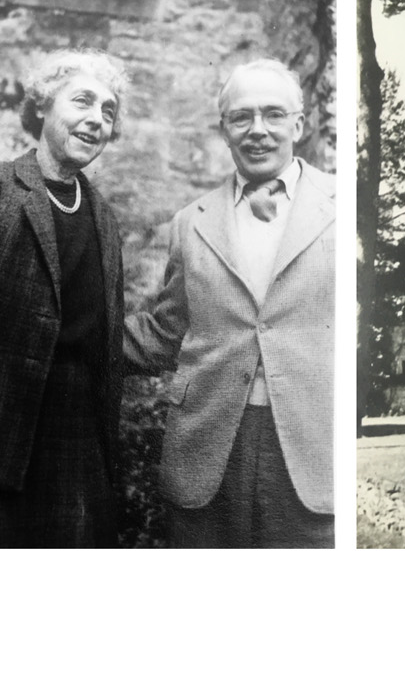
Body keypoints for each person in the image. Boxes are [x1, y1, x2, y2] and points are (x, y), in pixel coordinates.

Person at [0, 49, 130, 547]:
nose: (96, 119)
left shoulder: (104, 218)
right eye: (82, 101)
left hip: (79, 452)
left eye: (109, 110)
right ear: (42, 108)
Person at [125, 59, 334, 548]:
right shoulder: (189, 223)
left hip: (310, 445)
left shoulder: (344, 207)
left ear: (298, 126)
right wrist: (68, 331)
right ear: (224, 130)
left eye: (273, 115)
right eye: (241, 117)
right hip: (209, 446)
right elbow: (165, 333)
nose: (257, 130)